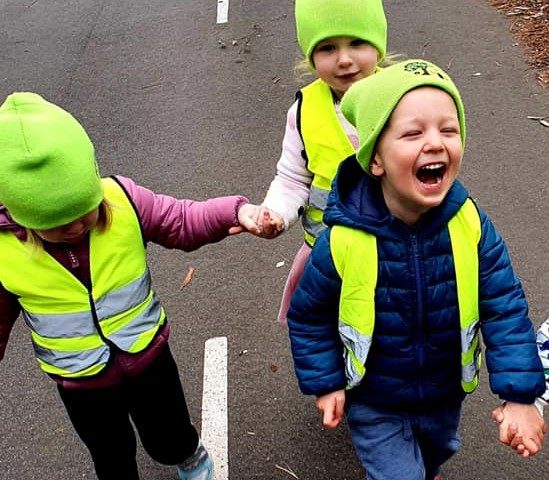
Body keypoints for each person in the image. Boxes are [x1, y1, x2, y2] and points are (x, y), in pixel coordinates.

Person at [286, 60, 546, 480]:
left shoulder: (469, 223)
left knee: (438, 451)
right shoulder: (344, 239)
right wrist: (326, 380)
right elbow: (309, 315)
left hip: (443, 393)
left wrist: (521, 397)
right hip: (374, 397)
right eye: (412, 133)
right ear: (376, 160)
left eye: (449, 130)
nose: (436, 143)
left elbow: (504, 307)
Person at [0, 92, 265, 480]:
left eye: (82, 210)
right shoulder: (6, 251)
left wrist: (235, 211)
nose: (74, 226)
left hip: (148, 357)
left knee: (169, 432)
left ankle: (189, 458)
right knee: (109, 453)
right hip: (80, 381)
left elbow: (181, 219)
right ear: (21, 213)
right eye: (56, 224)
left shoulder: (122, 201)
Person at [257, 0, 388, 323]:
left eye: (357, 43)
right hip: (329, 260)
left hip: (396, 259)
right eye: (328, 48)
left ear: (378, 44)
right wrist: (276, 212)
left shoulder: (403, 98)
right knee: (329, 341)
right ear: (311, 56)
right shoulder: (304, 112)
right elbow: (291, 179)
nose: (344, 60)